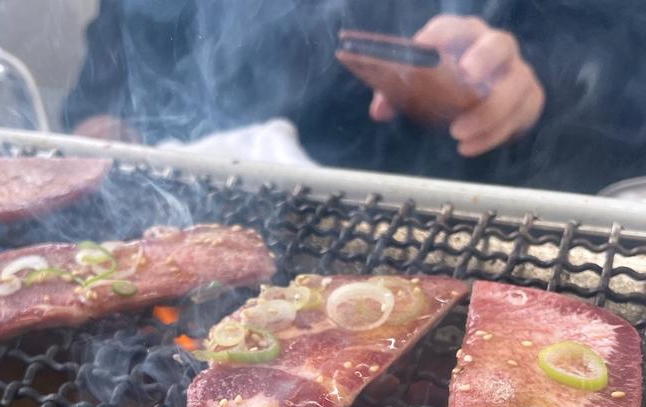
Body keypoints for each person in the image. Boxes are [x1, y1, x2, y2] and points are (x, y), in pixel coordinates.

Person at [63, 1, 646, 194]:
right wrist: (101, 134)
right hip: (216, 202)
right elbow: (114, 70)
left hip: (450, 210)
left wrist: (530, 85)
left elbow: (615, 54)